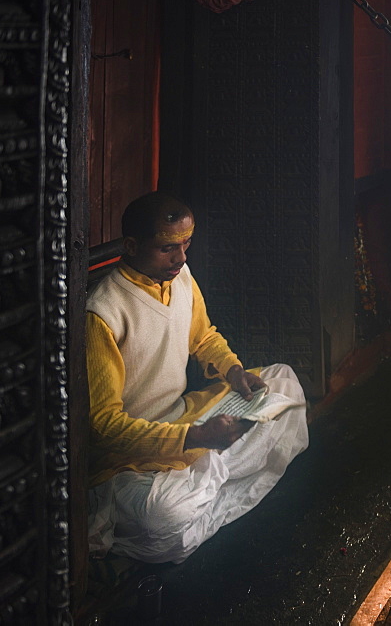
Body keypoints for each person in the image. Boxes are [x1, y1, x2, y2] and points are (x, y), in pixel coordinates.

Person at [85, 192, 309, 564]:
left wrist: (234, 371)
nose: (181, 258)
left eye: (186, 244)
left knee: (283, 383)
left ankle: (202, 483)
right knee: (165, 517)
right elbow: (104, 426)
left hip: (182, 416)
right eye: (168, 248)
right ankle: (203, 483)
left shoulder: (181, 277)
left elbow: (203, 337)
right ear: (131, 245)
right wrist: (197, 438)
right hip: (129, 457)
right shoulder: (104, 312)